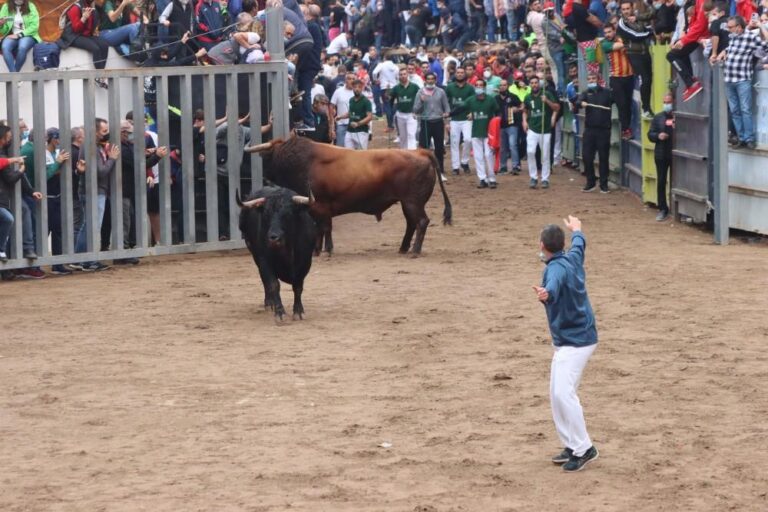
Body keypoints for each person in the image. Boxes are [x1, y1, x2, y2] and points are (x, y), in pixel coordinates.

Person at [532, 215, 600, 473]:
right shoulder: (572, 257)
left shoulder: (555, 269)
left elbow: (553, 285)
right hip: (577, 337)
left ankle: (584, 448)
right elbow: (580, 244)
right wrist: (577, 229)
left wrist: (546, 294)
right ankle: (572, 444)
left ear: (542, 245)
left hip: (575, 341)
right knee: (557, 392)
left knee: (563, 393)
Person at [71, 118, 120, 272]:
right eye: (104, 131)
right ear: (95, 131)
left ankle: (80, 259)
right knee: (92, 226)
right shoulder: (91, 147)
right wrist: (112, 159)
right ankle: (87, 260)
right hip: (94, 191)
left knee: (88, 225)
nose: (107, 133)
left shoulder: (93, 146)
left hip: (92, 191)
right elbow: (101, 171)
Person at [716, 15, 768, 149]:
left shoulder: (750, 37)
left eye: (730, 27)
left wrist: (761, 26)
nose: (728, 30)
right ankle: (741, 138)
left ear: (739, 27)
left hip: (742, 79)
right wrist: (723, 52)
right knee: (735, 111)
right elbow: (731, 49)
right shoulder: (733, 38)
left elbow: (766, 46)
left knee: (745, 110)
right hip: (729, 79)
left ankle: (749, 138)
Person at [573, 71, 614, 193]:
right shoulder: (586, 93)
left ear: (598, 79)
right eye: (589, 79)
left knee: (603, 158)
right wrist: (581, 103)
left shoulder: (607, 92)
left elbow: (617, 100)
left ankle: (603, 184)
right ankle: (590, 182)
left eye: (593, 78)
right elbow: (577, 103)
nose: (591, 81)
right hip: (590, 129)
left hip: (604, 130)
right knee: (587, 156)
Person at [666, 0, 710, 101]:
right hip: (696, 34)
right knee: (679, 52)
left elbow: (700, 25)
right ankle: (691, 80)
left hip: (700, 35)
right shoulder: (698, 2)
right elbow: (695, 21)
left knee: (671, 55)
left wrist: (684, 40)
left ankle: (691, 84)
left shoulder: (702, 2)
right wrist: (685, 36)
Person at [617, 0, 654, 118]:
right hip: (633, 54)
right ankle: (645, 109)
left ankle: (647, 107)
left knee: (649, 80)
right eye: (623, 9)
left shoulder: (637, 18)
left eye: (628, 9)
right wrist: (650, 33)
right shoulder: (622, 23)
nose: (626, 11)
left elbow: (651, 17)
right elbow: (635, 36)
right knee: (644, 79)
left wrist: (648, 4)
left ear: (632, 8)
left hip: (645, 52)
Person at [523, 75, 560, 189]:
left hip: (545, 129)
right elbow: (525, 110)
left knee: (545, 155)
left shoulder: (547, 94)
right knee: (530, 152)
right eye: (532, 83)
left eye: (536, 82)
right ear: (530, 85)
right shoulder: (527, 97)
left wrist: (547, 101)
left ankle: (545, 179)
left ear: (539, 84)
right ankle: (533, 177)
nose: (534, 85)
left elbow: (557, 108)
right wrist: (524, 121)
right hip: (532, 129)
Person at [413, 72, 451, 181]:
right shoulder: (420, 92)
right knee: (424, 148)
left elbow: (446, 107)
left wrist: (446, 116)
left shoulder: (441, 92)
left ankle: (440, 171)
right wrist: (421, 101)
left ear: (435, 80)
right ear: (425, 80)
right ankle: (424, 171)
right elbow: (415, 109)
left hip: (438, 122)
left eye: (432, 79)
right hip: (425, 122)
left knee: (439, 148)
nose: (430, 81)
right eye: (428, 79)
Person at [58, 0, 113, 74]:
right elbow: (76, 29)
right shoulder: (75, 8)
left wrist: (93, 31)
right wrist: (83, 18)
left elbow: (91, 25)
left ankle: (101, 72)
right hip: (73, 36)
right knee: (95, 48)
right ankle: (100, 75)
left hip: (85, 35)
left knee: (104, 45)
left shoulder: (91, 7)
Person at [601, 23, 634, 139]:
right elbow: (620, 45)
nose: (607, 35)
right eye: (605, 33)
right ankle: (625, 129)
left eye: (609, 32)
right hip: (615, 78)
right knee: (622, 104)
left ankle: (626, 128)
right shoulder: (605, 44)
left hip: (629, 76)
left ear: (614, 31)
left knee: (628, 104)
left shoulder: (621, 39)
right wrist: (627, 43)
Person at [466, 78, 499, 189]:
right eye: (477, 85)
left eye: (481, 85)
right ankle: (482, 179)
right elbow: (461, 108)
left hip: (488, 132)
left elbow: (497, 112)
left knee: (488, 155)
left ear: (484, 87)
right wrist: (449, 114)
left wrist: (496, 125)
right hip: (476, 131)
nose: (479, 87)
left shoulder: (490, 100)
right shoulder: (471, 100)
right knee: (478, 156)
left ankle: (492, 178)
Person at [647, 93, 674, 221]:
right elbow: (650, 134)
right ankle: (663, 208)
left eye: (668, 102)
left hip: (675, 154)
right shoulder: (658, 117)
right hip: (661, 153)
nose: (666, 105)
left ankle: (677, 207)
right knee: (661, 180)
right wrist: (658, 136)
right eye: (665, 102)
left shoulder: (678, 117)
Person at [446, 66, 475, 174]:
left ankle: (465, 161)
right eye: (458, 72)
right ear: (455, 74)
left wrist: (472, 113)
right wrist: (447, 119)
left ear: (465, 74)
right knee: (454, 142)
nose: (460, 74)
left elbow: (474, 101)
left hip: (466, 118)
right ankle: (455, 167)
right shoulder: (449, 87)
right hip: (454, 119)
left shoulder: (470, 88)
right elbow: (446, 102)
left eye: (462, 72)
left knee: (468, 140)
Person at [0, 0, 41, 72]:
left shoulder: (31, 6)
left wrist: (20, 35)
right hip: (12, 35)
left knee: (22, 46)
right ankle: (14, 74)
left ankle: (14, 75)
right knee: (5, 47)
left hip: (28, 35)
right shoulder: (6, 7)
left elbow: (34, 26)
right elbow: (4, 31)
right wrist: (1, 25)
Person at [496, 78, 523, 175]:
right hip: (501, 125)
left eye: (504, 85)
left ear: (507, 86)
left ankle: (515, 166)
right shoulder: (496, 98)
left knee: (512, 145)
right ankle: (503, 166)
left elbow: (522, 105)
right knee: (503, 147)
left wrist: (518, 109)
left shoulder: (513, 96)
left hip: (512, 124)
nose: (502, 87)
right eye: (501, 85)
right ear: (498, 87)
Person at [390, 67, 421, 150]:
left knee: (411, 134)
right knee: (403, 136)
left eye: (404, 74)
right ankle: (404, 153)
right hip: (400, 114)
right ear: (398, 76)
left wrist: (418, 110)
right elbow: (390, 100)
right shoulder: (396, 88)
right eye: (401, 74)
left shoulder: (414, 87)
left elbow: (420, 99)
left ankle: (412, 153)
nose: (403, 76)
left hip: (411, 114)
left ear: (407, 75)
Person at [345, 79, 373, 149]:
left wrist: (358, 124)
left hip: (361, 131)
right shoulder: (351, 100)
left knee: (361, 153)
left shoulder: (366, 101)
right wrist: (340, 117)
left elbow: (369, 117)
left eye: (359, 87)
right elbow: (350, 113)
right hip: (349, 130)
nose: (357, 89)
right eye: (355, 87)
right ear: (352, 88)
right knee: (348, 153)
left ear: (362, 88)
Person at [329, 72, 356, 147]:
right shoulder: (338, 91)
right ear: (345, 80)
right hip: (341, 124)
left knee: (354, 148)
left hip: (355, 124)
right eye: (349, 79)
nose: (351, 81)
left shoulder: (357, 92)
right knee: (340, 147)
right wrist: (332, 126)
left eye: (353, 79)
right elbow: (331, 106)